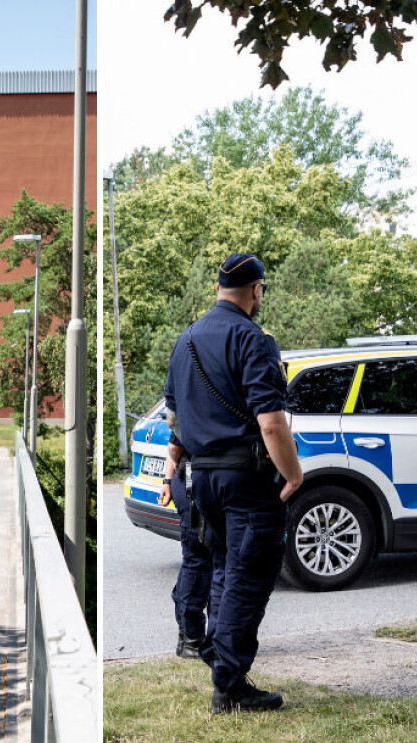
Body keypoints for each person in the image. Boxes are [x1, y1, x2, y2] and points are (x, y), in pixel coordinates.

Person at [163, 253, 304, 713]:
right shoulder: (253, 339)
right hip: (247, 478)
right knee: (251, 576)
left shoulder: (185, 340)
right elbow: (272, 422)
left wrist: (178, 464)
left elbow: (173, 415)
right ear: (256, 290)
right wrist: (294, 473)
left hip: (203, 477)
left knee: (225, 570)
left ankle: (226, 673)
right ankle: (227, 677)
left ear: (217, 288)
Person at [158, 440, 211, 658]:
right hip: (193, 479)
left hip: (189, 477)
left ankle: (189, 638)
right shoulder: (198, 405)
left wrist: (167, 481)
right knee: (198, 560)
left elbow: (174, 446)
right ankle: (191, 639)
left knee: (199, 561)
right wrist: (167, 481)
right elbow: (175, 447)